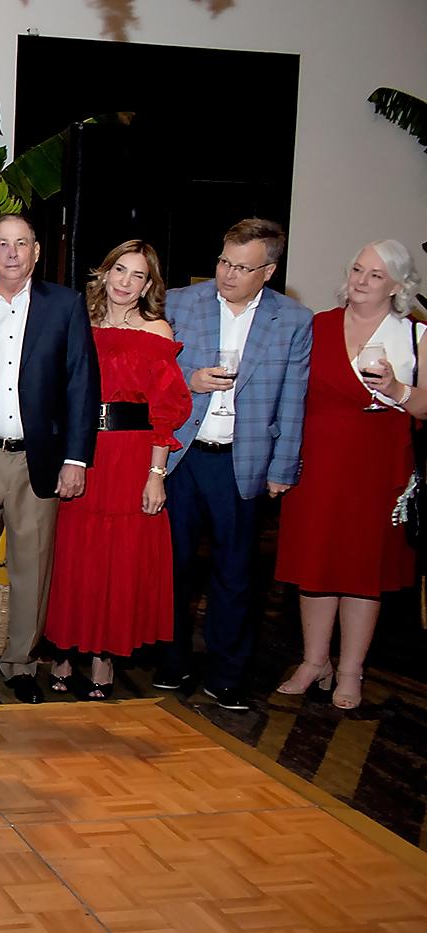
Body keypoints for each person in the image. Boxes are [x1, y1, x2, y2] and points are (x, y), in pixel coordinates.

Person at [156, 218, 312, 711]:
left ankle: (227, 674)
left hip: (242, 461)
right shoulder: (180, 303)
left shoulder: (293, 320)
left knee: (235, 573)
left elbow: (293, 399)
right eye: (224, 261)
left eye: (242, 268)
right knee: (173, 566)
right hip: (182, 457)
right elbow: (154, 368)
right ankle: (171, 661)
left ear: (268, 272)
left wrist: (283, 468)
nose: (227, 274)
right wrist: (190, 378)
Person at [0, 214, 100, 706]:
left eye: (21, 243)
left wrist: (76, 459)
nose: (12, 253)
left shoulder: (65, 306)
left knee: (32, 570)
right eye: (2, 243)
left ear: (36, 251)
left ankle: (20, 665)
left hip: (39, 459)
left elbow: (81, 384)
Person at [274, 240, 423, 710]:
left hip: (379, 466)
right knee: (315, 564)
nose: (361, 280)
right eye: (358, 269)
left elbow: (425, 406)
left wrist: (398, 389)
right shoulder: (316, 326)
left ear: (396, 286)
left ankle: (351, 670)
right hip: (317, 461)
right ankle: (313, 661)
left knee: (363, 569)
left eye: (375, 275)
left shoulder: (415, 335)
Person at [44, 241, 191, 699]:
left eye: (138, 275)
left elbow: (165, 410)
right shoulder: (78, 319)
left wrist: (156, 474)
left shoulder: (156, 329)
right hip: (80, 450)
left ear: (148, 286)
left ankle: (103, 659)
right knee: (73, 555)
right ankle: (63, 650)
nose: (126, 282)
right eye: (120, 270)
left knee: (117, 561)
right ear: (105, 272)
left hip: (129, 455)